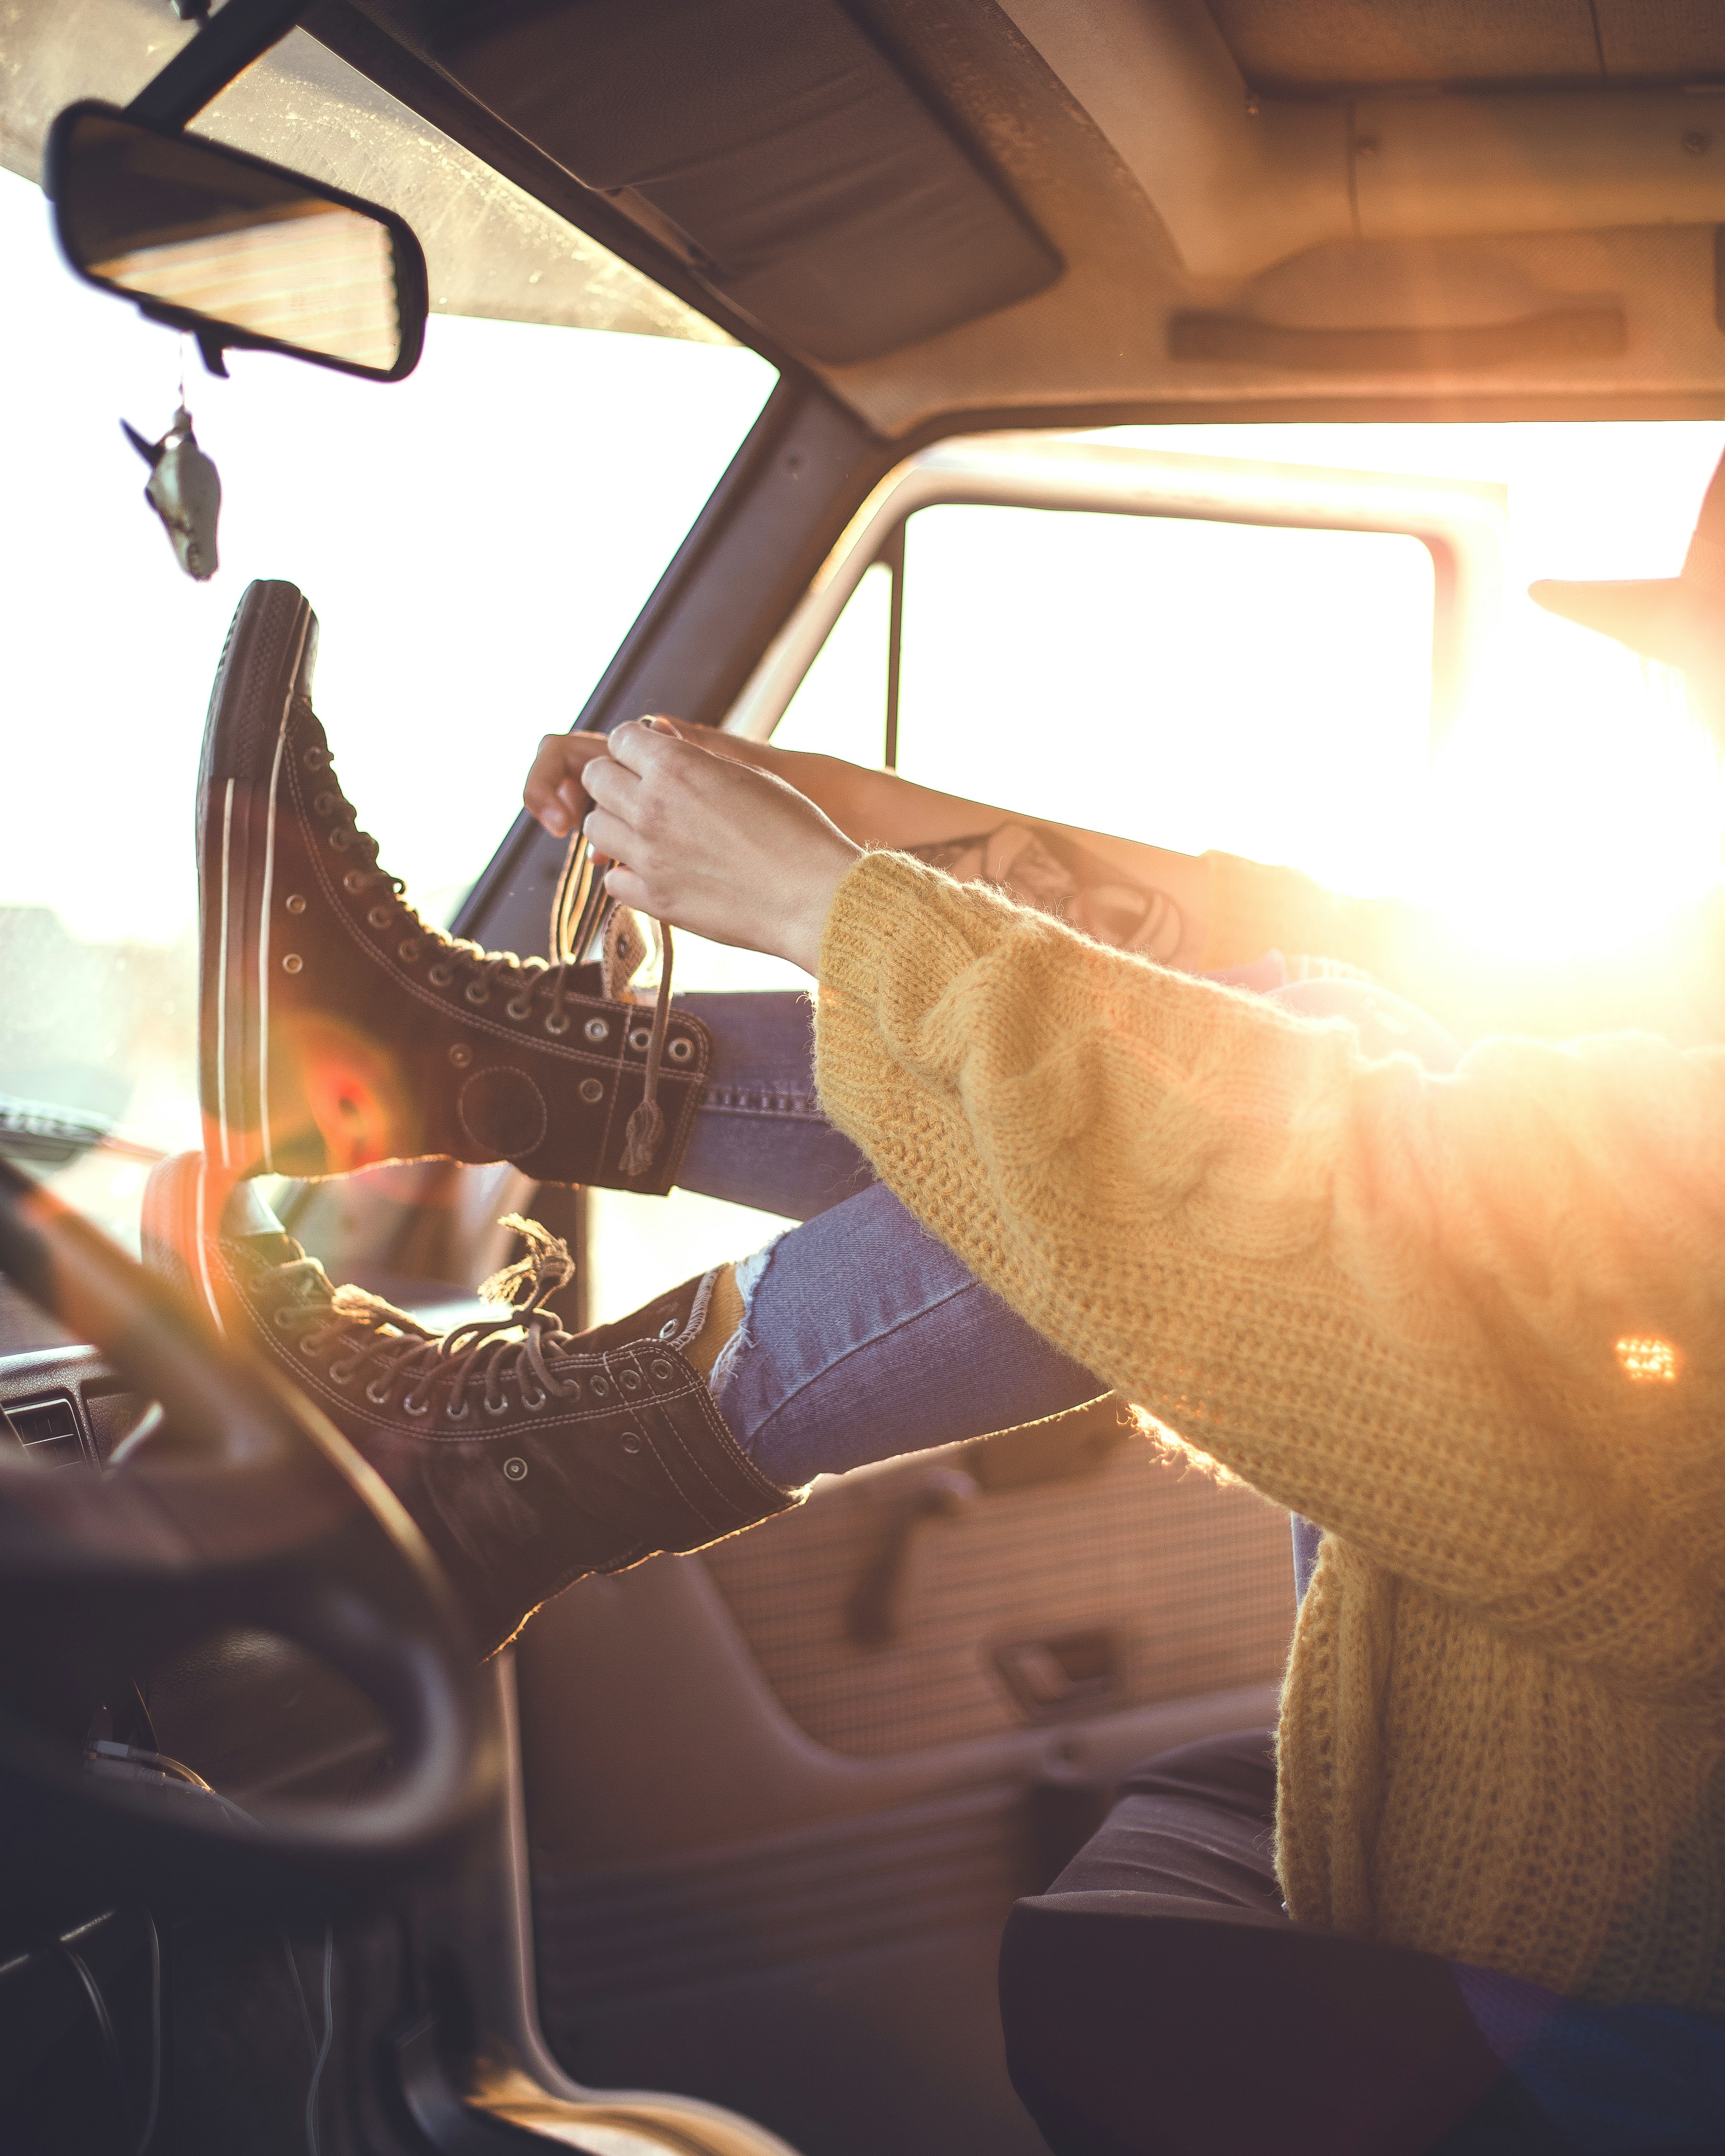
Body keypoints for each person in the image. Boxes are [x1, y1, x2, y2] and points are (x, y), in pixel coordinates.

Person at [148, 455, 1725, 2153]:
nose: (1683, 715)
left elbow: (1398, 1203)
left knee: (1263, 1148)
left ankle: (491, 1439)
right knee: (1290, 1029)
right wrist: (803, 811)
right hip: (1538, 1821)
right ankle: (462, 1111)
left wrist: (817, 900)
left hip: (1621, 1991)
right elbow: (1268, 946)